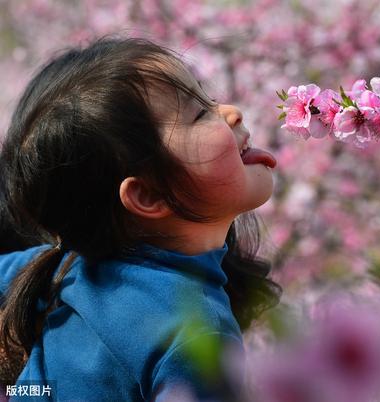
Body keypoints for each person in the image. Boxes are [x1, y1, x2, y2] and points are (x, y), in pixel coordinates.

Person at [0, 38, 281, 401]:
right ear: (148, 196)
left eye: (208, 100)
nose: (230, 111)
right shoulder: (197, 336)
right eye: (200, 114)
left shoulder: (67, 266)